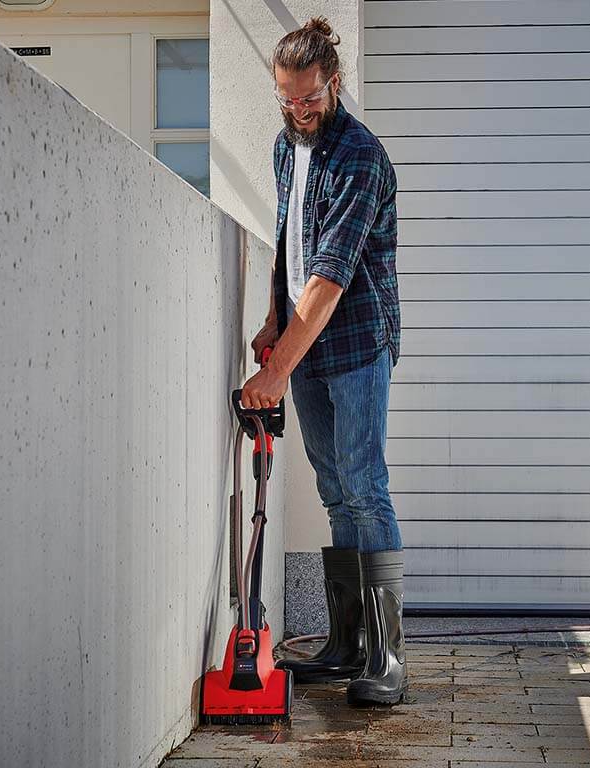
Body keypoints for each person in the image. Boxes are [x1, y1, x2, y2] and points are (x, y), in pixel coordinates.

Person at [239, 16, 406, 706]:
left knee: (365, 486)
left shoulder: (359, 156)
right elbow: (291, 243)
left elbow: (332, 276)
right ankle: (345, 645)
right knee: (334, 489)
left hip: (358, 338)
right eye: (287, 98)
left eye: (309, 98)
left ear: (333, 84)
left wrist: (272, 374)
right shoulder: (287, 147)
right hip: (306, 340)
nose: (298, 110)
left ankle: (388, 659)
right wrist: (274, 325)